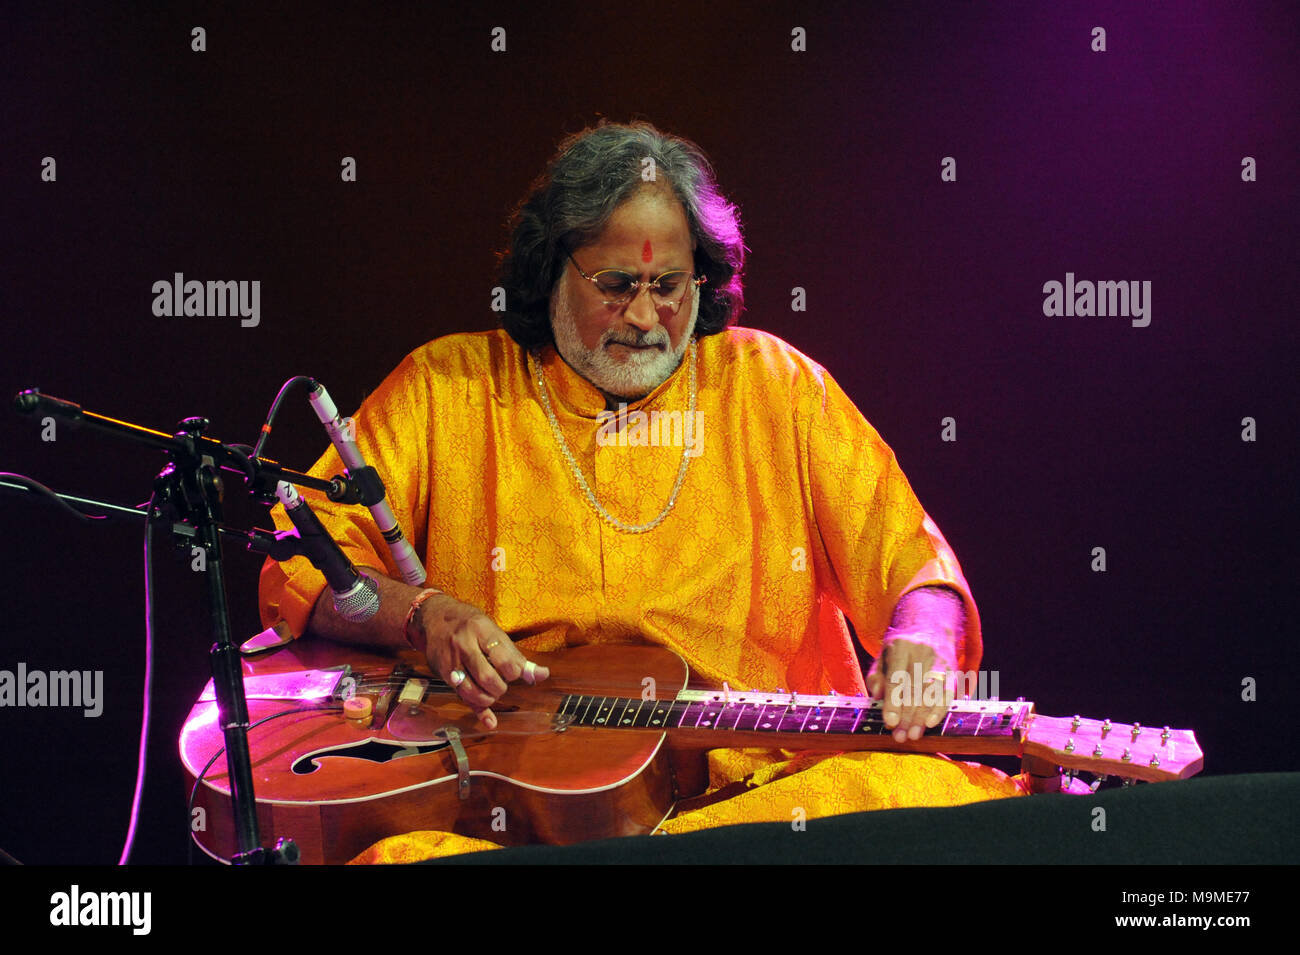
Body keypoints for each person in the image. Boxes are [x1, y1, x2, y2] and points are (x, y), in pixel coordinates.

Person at [258, 120, 1026, 861]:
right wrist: (424, 615)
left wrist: (920, 637)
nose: (645, 316)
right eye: (617, 284)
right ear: (549, 268)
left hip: (749, 805)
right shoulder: (447, 388)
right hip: (512, 818)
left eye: (670, 285)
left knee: (927, 795)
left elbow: (916, 568)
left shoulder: (777, 389)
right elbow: (304, 554)